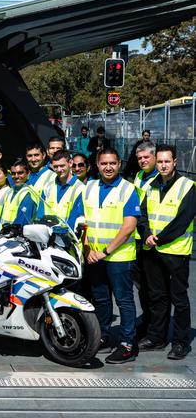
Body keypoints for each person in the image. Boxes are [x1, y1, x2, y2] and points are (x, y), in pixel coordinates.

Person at [138, 144, 196, 360]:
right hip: (152, 250)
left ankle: (180, 343)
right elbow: (142, 215)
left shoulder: (188, 186)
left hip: (175, 252)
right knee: (157, 297)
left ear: (175, 162)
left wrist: (158, 239)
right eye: (160, 161)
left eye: (166, 161)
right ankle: (156, 338)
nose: (163, 165)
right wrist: (146, 235)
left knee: (178, 298)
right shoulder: (150, 186)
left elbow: (182, 220)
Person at [83, 148, 140, 364]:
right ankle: (103, 336)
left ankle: (127, 344)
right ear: (97, 165)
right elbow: (84, 223)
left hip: (119, 257)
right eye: (104, 163)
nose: (108, 167)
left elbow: (128, 227)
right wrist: (88, 249)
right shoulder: (88, 188)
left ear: (119, 164)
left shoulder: (128, 189)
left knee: (124, 301)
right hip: (94, 256)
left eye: (113, 163)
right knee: (101, 299)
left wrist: (105, 251)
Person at [131, 141, 158, 338]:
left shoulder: (160, 178)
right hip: (138, 238)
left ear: (155, 157)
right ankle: (147, 319)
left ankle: (156, 328)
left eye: (146, 157)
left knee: (155, 289)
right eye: (139, 158)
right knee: (142, 287)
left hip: (153, 239)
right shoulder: (139, 176)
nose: (142, 161)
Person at [39, 150, 85, 230]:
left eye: (62, 166)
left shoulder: (80, 188)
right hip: (48, 237)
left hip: (69, 238)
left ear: (70, 163)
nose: (59, 170)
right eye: (56, 167)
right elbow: (40, 214)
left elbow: (74, 219)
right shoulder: (47, 186)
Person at [0, 159, 36, 227]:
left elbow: (21, 222)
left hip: (16, 235)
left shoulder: (28, 193)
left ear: (28, 173)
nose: (16, 176)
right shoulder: (10, 191)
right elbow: (0, 219)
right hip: (4, 234)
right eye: (13, 173)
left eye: (20, 173)